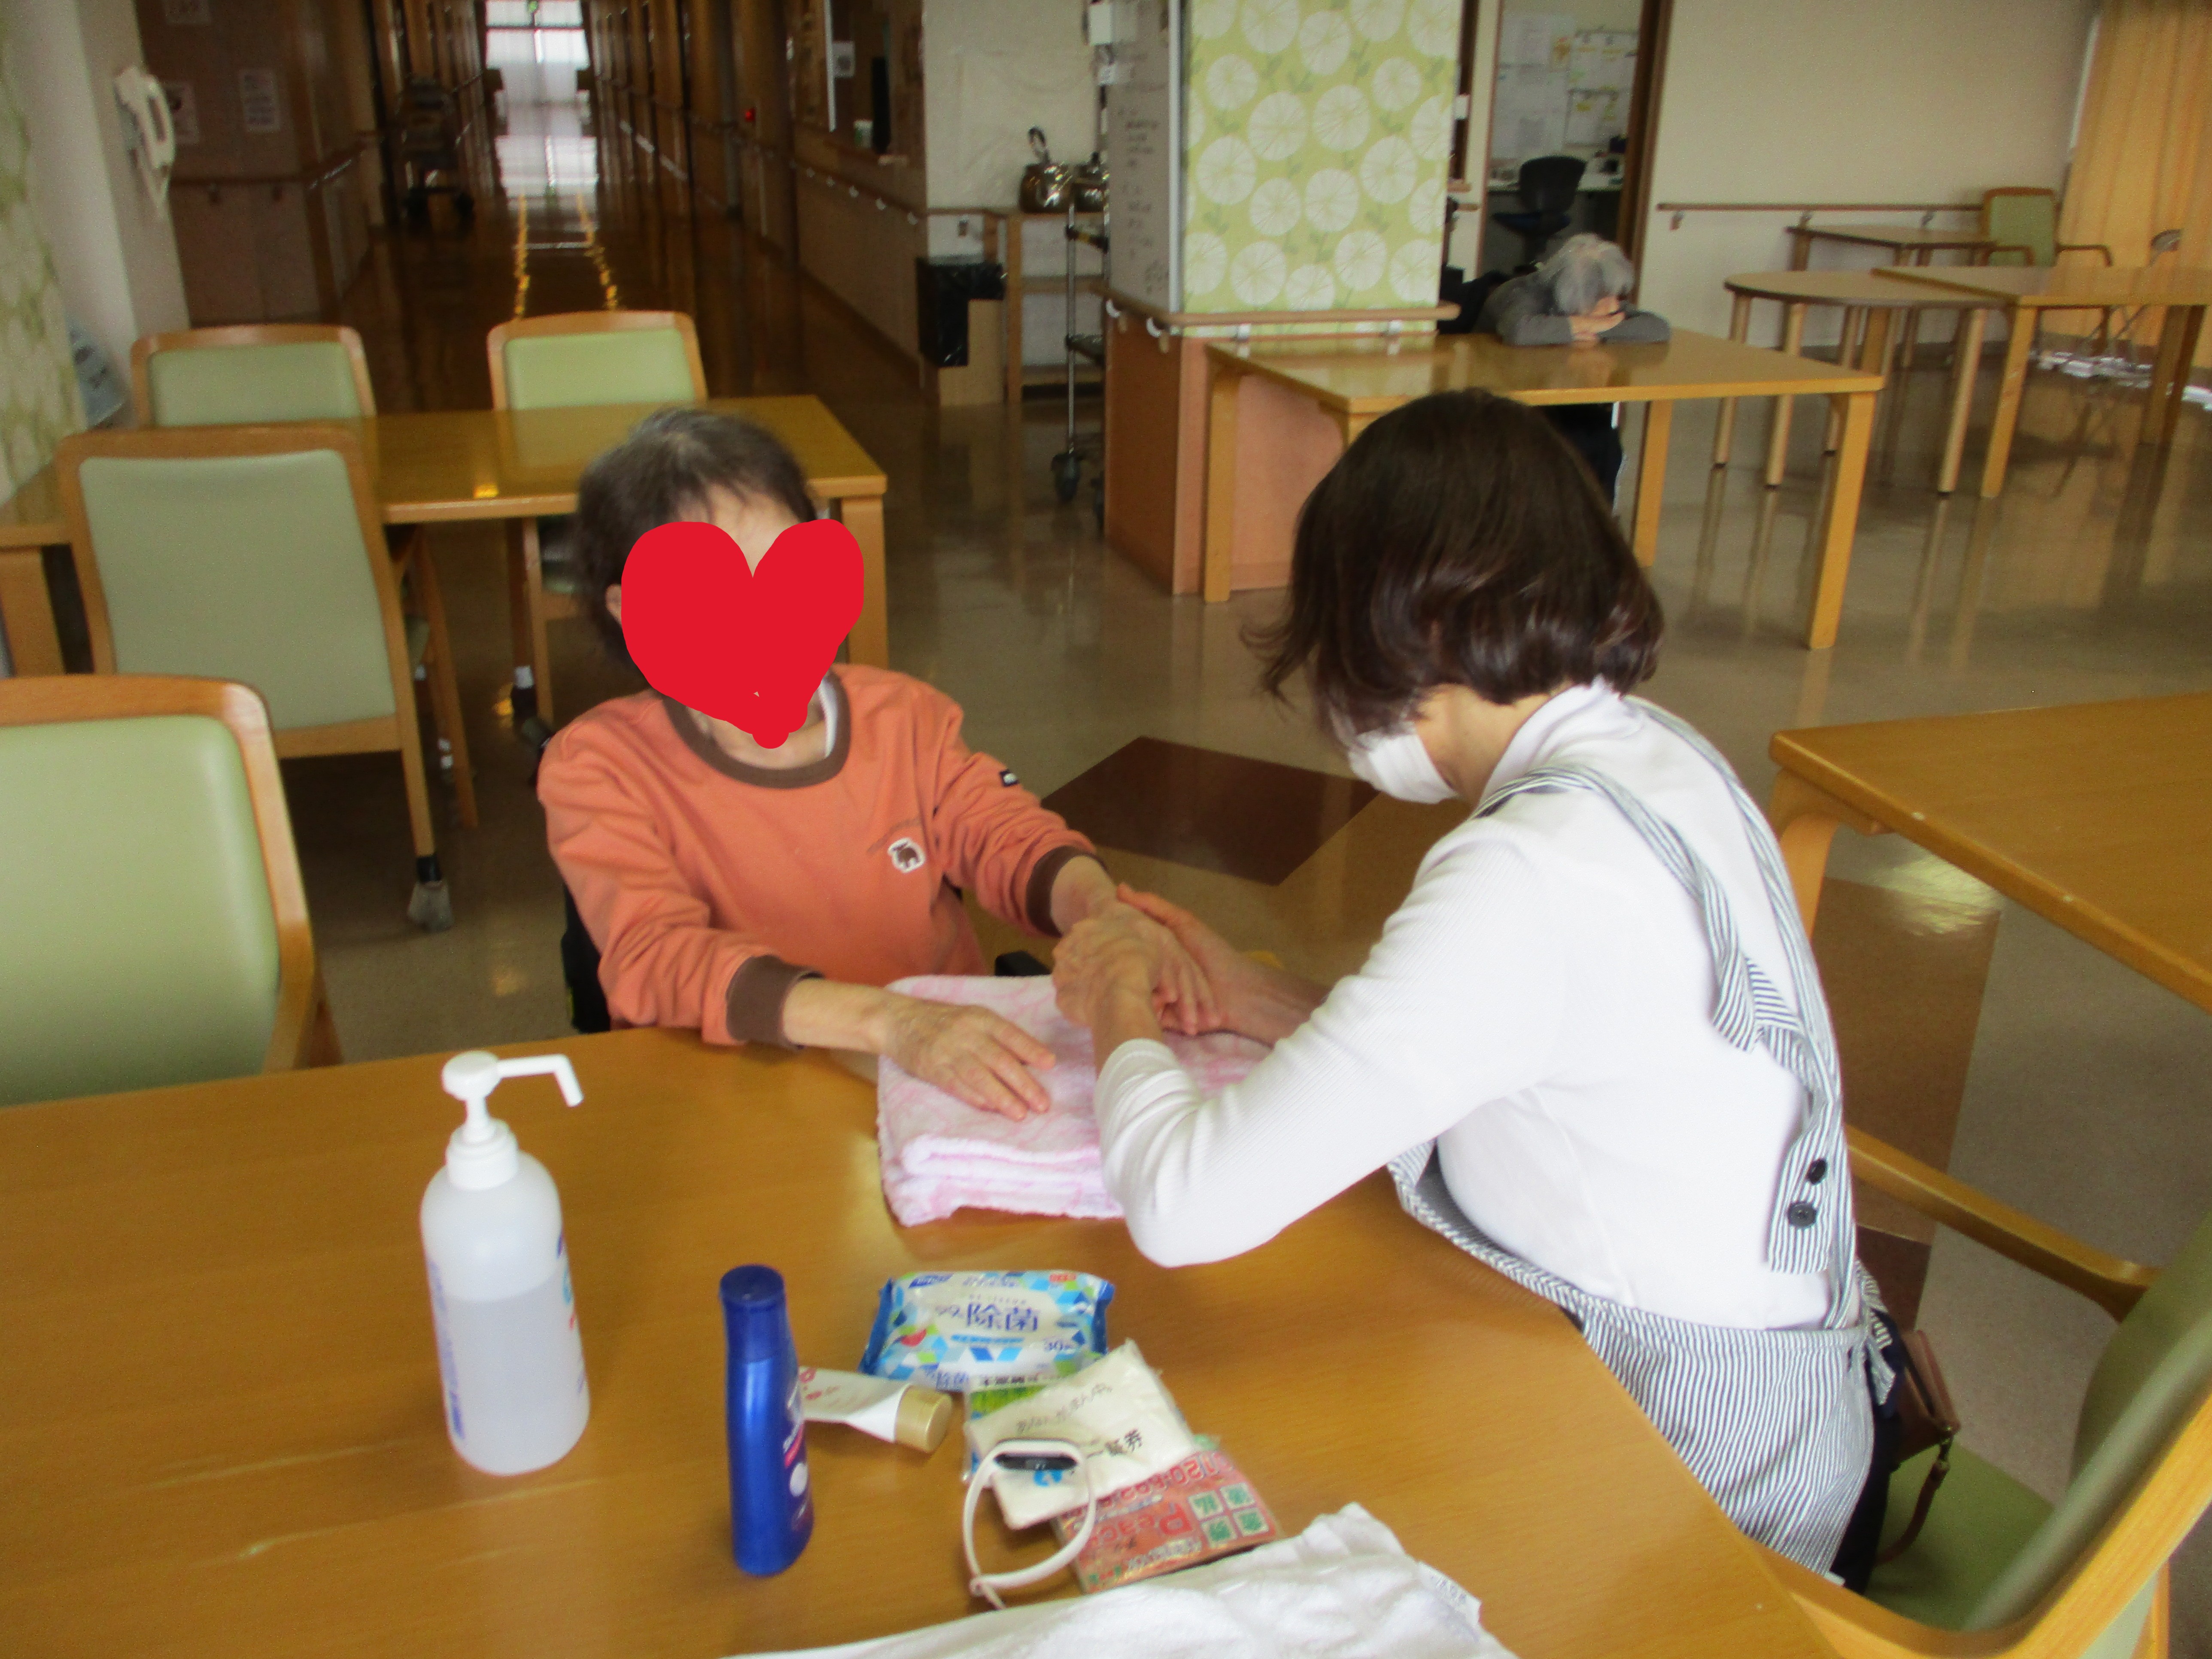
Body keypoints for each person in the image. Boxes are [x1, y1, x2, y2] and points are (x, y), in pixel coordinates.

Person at [1050, 390, 1894, 1585]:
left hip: (1701, 1484)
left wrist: (1116, 1000)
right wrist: (1258, 1001)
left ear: (1405, 635)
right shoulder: (1659, 756)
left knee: (1266, 1465)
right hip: (1793, 1401)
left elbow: (1185, 1206)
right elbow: (1514, 1049)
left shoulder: (1527, 874)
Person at [539, 407, 1210, 1118]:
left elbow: (1005, 832)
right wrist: (890, 1021)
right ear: (632, 610)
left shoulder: (904, 717)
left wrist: (1102, 913)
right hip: (742, 1095)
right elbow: (654, 954)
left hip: (939, 1081)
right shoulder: (599, 765)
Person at [1477, 233, 1670, 500]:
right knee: (1559, 441)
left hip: (1562, 392)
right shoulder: (1521, 293)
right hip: (1505, 399)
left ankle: (1594, 515)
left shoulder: (1599, 300)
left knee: (1600, 437)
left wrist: (1599, 328)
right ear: (1575, 293)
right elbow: (1521, 331)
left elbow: (1657, 328)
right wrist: (1585, 325)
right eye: (1603, 298)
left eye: (1616, 295)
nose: (1614, 306)